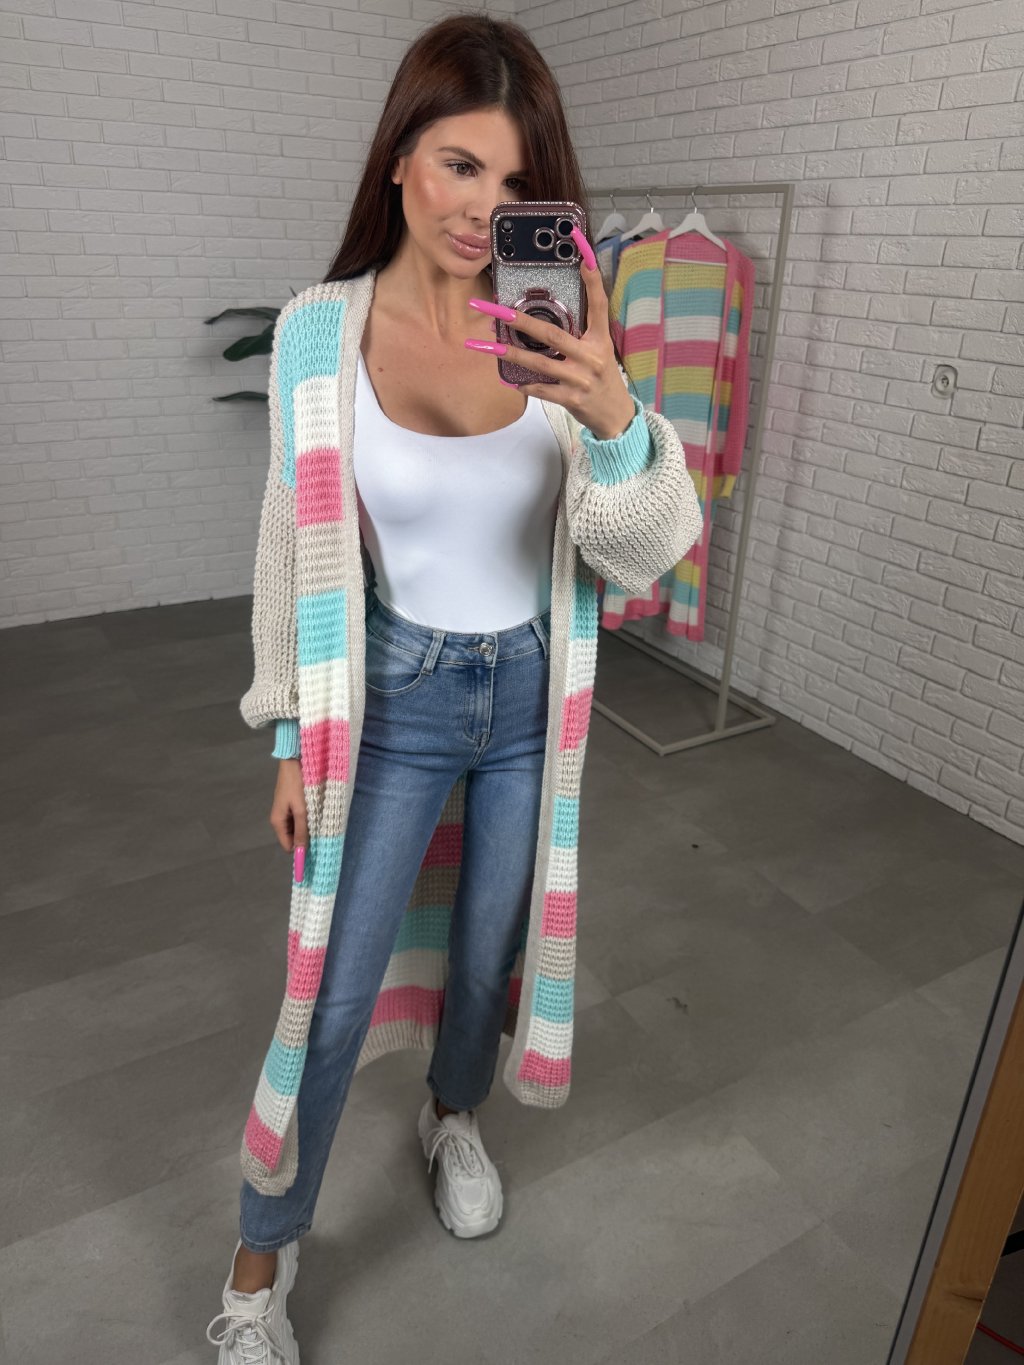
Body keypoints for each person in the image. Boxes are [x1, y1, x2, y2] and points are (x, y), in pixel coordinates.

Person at [205, 13, 700, 1363]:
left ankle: (451, 1114)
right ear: (399, 163)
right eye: (459, 165)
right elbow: (288, 543)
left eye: (516, 178)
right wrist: (286, 734)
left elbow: (647, 554)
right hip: (395, 702)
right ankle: (258, 1263)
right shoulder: (320, 336)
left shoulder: (559, 333)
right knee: (331, 988)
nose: (486, 207)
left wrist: (612, 412)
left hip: (533, 702)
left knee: (488, 954)